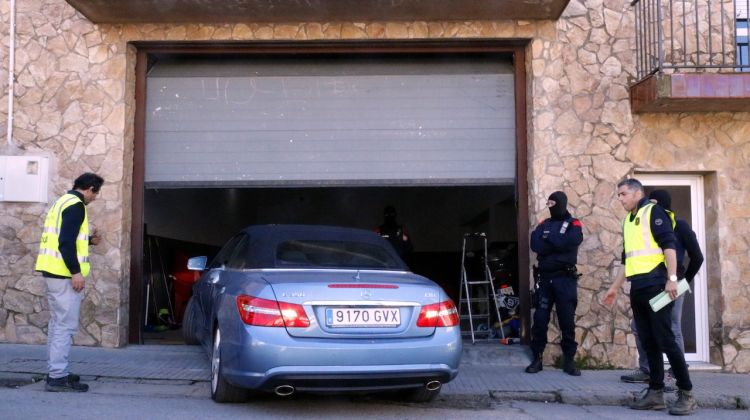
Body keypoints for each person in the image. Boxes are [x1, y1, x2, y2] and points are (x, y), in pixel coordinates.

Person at [604, 179, 697, 415]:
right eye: (618, 195)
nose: (620, 198)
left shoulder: (653, 211)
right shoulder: (628, 220)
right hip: (638, 287)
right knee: (648, 341)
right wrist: (615, 287)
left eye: (623, 194)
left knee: (666, 338)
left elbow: (669, 247)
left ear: (637, 193)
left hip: (657, 285)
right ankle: (655, 393)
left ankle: (686, 393)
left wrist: (673, 279)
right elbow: (628, 260)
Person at [621, 190, 704, 385]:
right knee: (641, 328)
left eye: (655, 203)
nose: (651, 207)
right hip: (653, 284)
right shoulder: (643, 221)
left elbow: (697, 257)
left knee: (671, 329)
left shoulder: (679, 225)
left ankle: (677, 373)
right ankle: (648, 370)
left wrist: (682, 282)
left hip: (672, 285)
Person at [35, 173, 104, 392]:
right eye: (96, 193)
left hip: (53, 272)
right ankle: (57, 376)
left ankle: (56, 371)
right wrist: (76, 273)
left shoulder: (62, 201)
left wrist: (89, 241)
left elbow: (65, 238)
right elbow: (65, 243)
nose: (95, 198)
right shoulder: (76, 206)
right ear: (90, 189)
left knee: (57, 325)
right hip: (64, 275)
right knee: (64, 327)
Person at [525, 191, 583, 376]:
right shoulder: (544, 224)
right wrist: (558, 242)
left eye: (553, 203)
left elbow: (572, 242)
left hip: (565, 280)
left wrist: (549, 239)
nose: (551, 207)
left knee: (567, 320)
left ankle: (569, 361)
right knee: (540, 320)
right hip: (545, 280)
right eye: (548, 203)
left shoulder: (574, 224)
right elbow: (536, 245)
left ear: (561, 203)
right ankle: (537, 359)